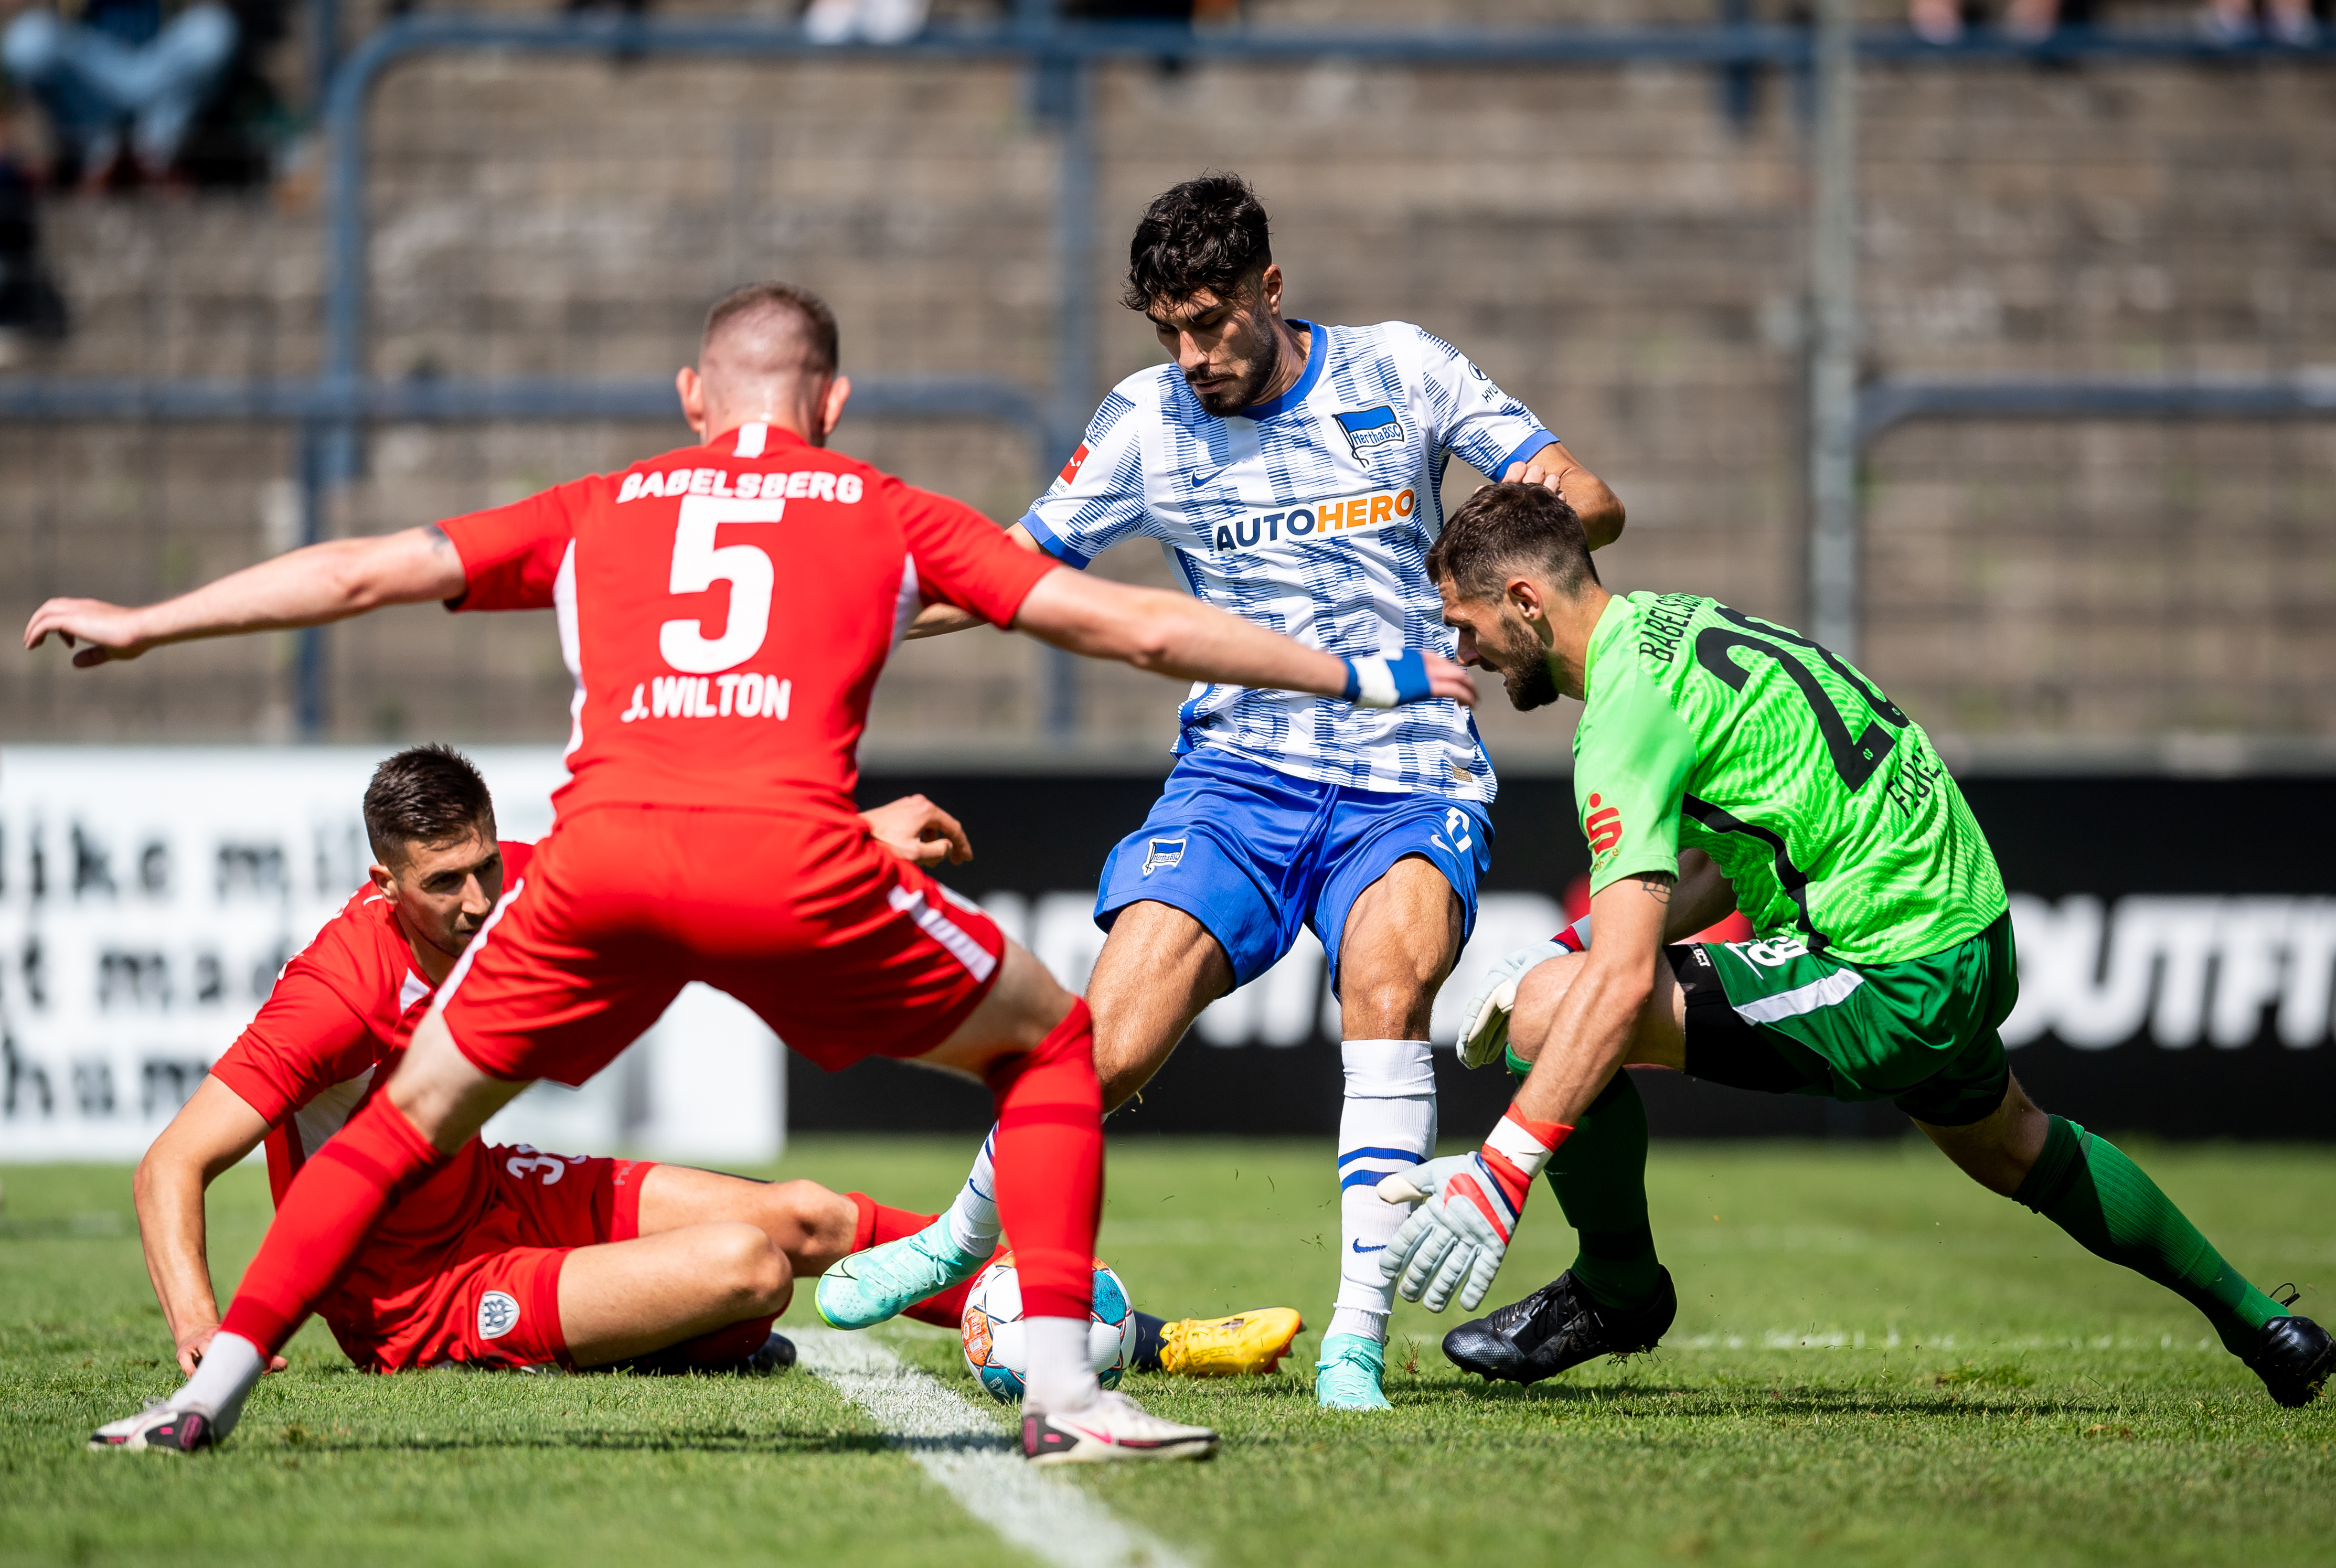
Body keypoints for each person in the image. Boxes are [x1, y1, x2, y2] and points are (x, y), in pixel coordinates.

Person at [30, 280, 1469, 1460]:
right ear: (832, 404)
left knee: (396, 1124)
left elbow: (355, 575)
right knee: (1051, 1048)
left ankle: (200, 1394)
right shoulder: (883, 507)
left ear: (691, 397)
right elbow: (1135, 631)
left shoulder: (601, 504)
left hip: (601, 865)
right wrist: (1371, 664)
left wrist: (151, 621)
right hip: (794, 858)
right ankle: (1064, 1398)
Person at [819, 173, 1625, 1412]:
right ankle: (958, 1233)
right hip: (1236, 778)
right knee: (1114, 1041)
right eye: (1168, 332)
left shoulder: (1398, 370)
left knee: (1387, 985)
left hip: (1408, 773)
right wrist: (837, 630)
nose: (1193, 356)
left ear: (1269, 289)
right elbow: (1011, 575)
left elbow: (1589, 499)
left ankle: (1353, 1340)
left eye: (1212, 323)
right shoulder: (1144, 420)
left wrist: (1494, 565)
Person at [1371, 479, 2336, 1410]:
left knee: (1552, 1010)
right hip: (1969, 933)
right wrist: (1566, 939)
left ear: (1525, 601)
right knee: (2011, 1143)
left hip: (1884, 971)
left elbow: (1619, 986)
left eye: (1466, 622)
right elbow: (1723, 864)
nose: (1467, 650)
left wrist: (1499, 1171)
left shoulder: (1622, 714)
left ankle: (1618, 1289)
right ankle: (2263, 1325)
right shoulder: (1681, 624)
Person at [136, 743, 1304, 1383]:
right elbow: (173, 1163)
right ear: (385, 884)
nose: (477, 902)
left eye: (486, 866)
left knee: (807, 1213)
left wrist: (860, 835)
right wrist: (201, 1329)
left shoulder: (504, 886)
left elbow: (700, 857)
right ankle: (690, 1336)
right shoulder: (333, 992)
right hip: (416, 1300)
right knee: (749, 1270)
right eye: (442, 884)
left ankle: (1137, 1336)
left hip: (498, 1196)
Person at [1, 0, 237, 188]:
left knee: (214, 31)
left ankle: (157, 152)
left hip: (159, 59)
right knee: (27, 42)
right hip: (93, 64)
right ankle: (99, 152)